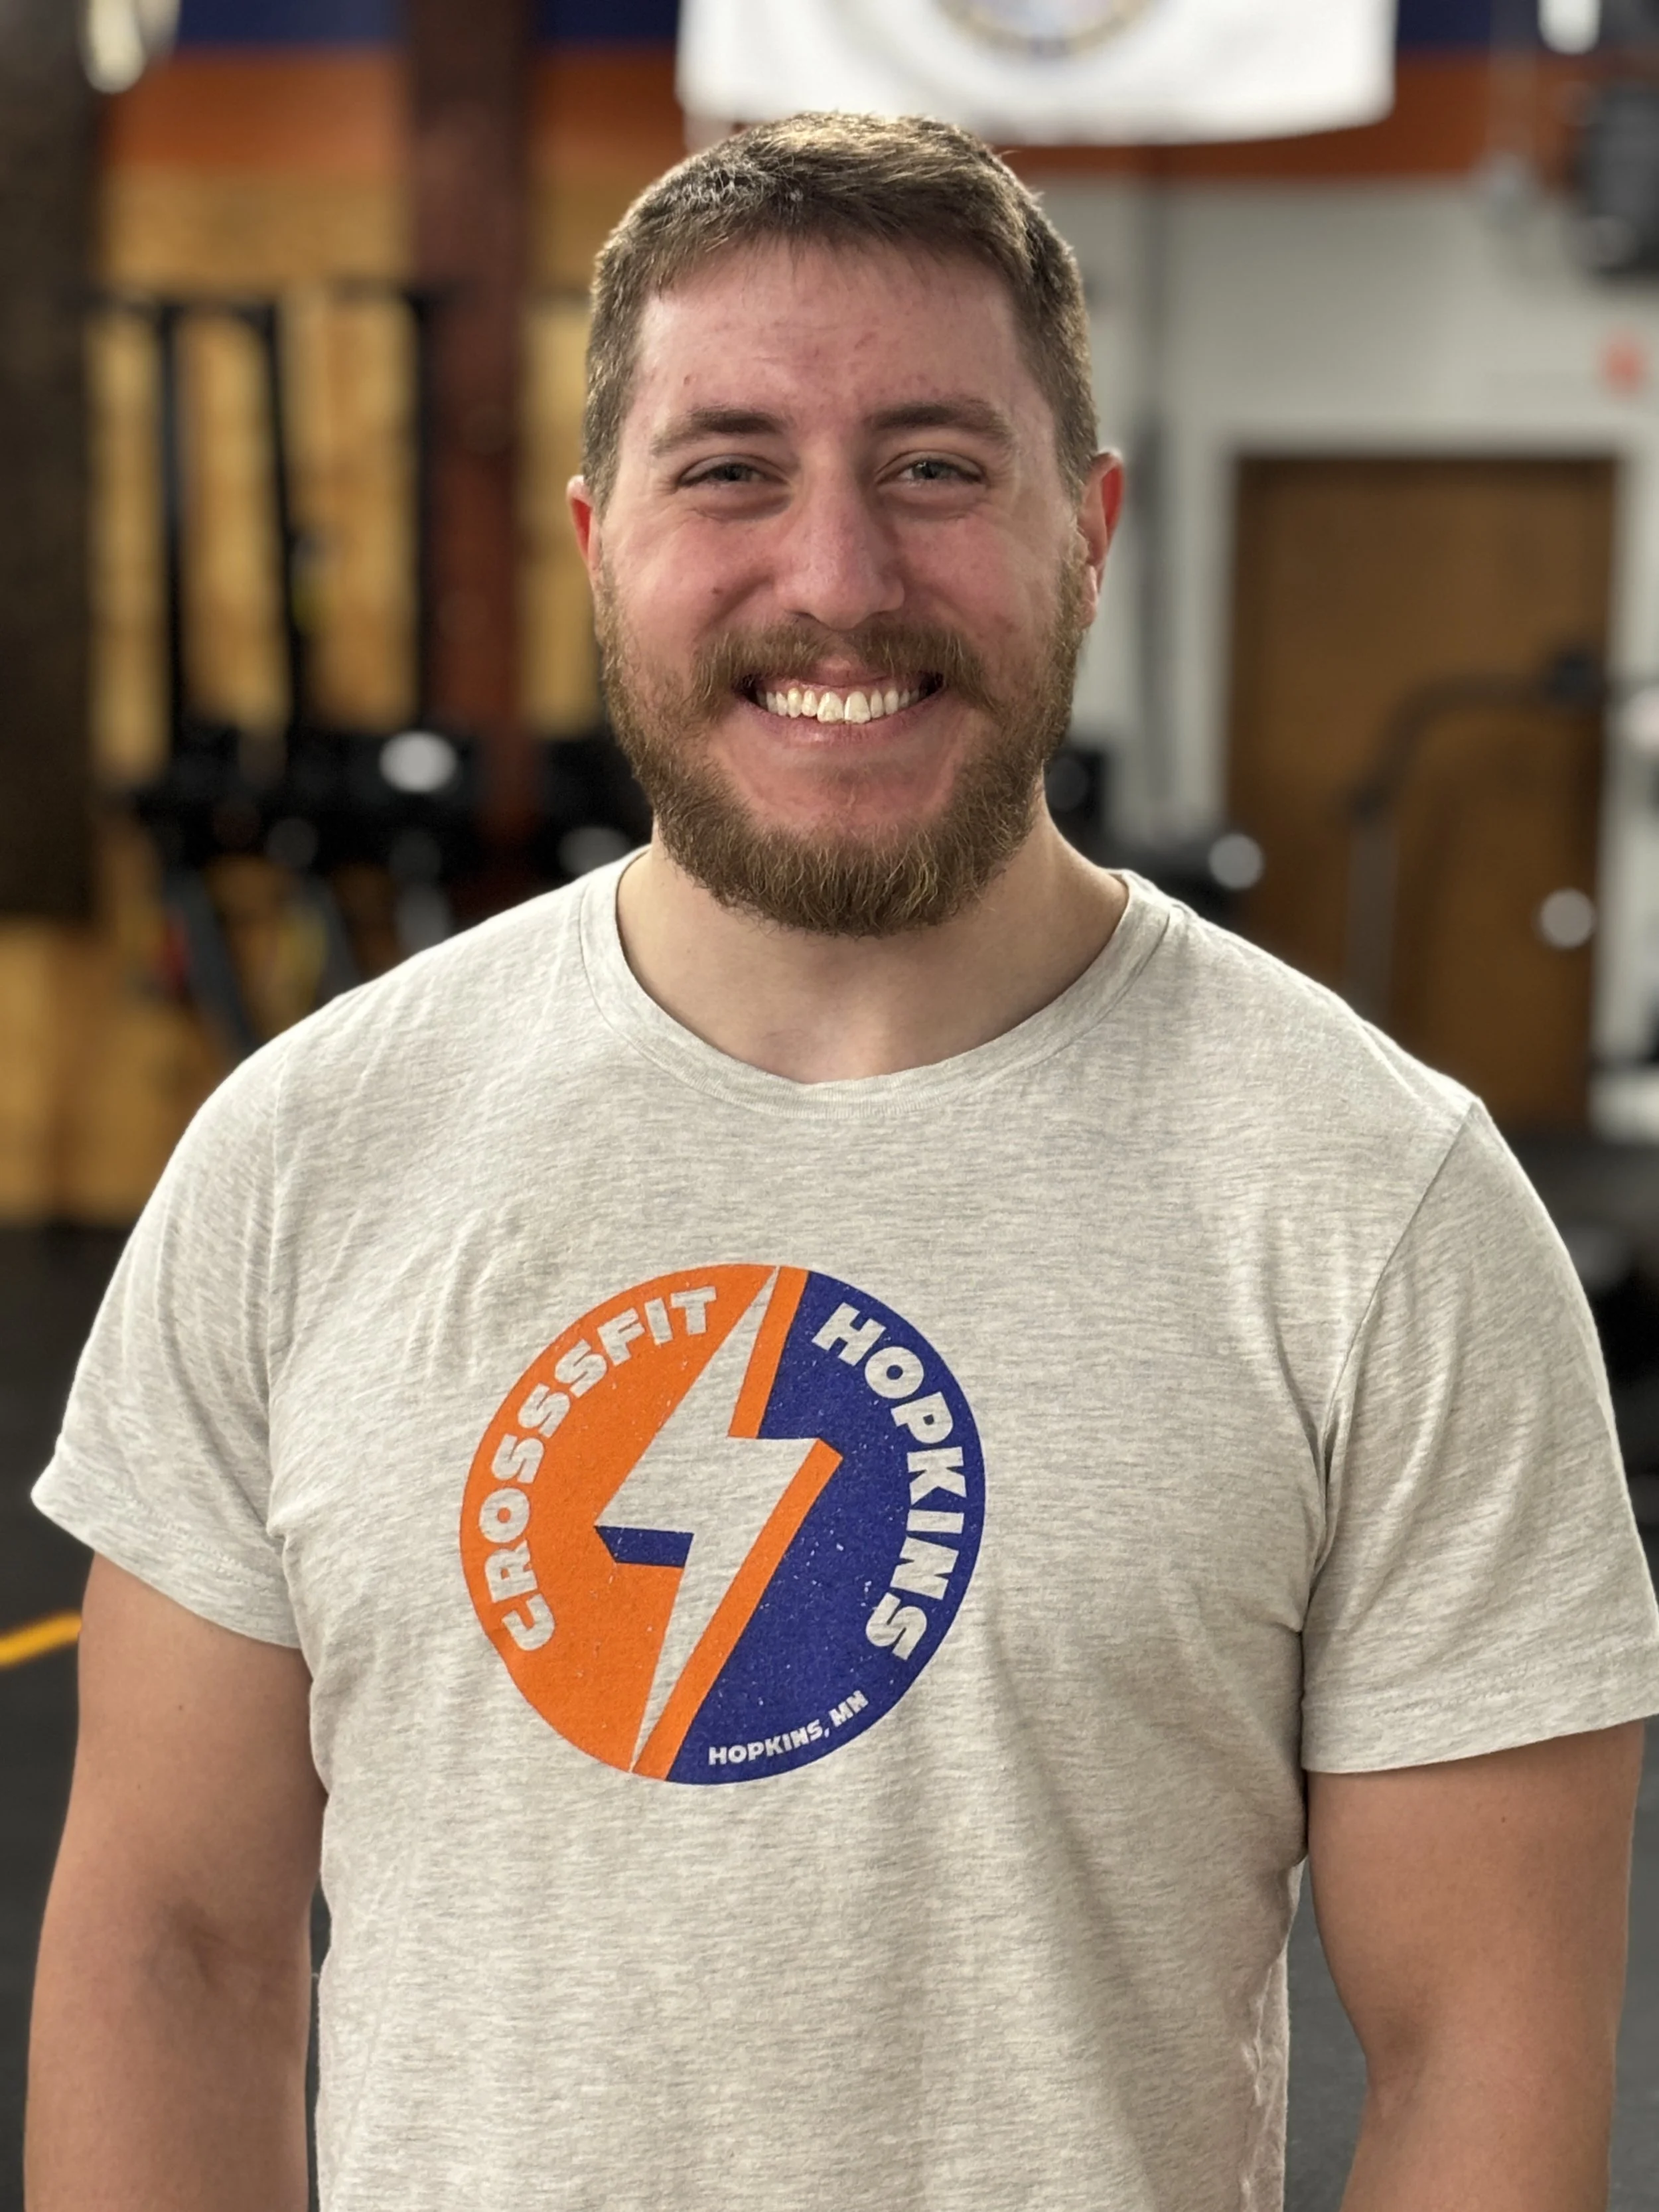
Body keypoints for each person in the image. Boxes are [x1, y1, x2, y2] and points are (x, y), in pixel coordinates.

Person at [25, 111, 1659, 2212]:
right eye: (730, 472)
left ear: (1090, 525)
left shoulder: (1382, 1209)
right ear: (600, 534)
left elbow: (1479, 2068)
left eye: (934, 467)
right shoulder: (298, 1155)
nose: (835, 577)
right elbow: (173, 1947)